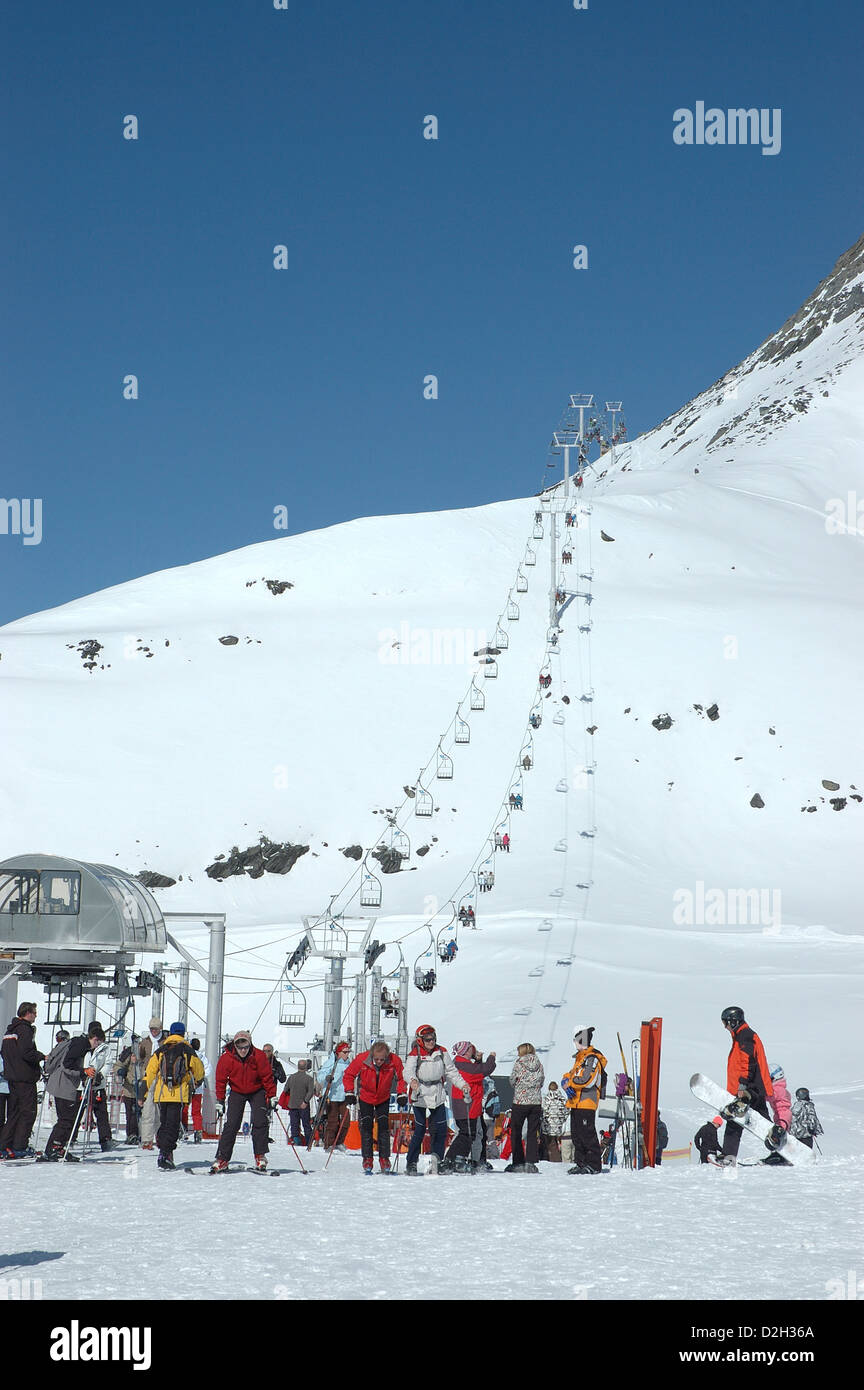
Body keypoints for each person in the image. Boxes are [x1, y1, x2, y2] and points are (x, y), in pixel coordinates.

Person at [403, 1025, 469, 1175]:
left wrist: (462, 1084)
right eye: (427, 1039)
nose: (431, 1042)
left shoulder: (441, 1051)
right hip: (420, 1093)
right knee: (419, 1130)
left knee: (440, 1130)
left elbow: (451, 1071)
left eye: (433, 1038)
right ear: (420, 1041)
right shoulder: (415, 1053)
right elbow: (408, 1071)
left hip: (437, 1092)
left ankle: (436, 1160)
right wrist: (412, 1081)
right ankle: (411, 1162)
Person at [212, 1030, 275, 1173]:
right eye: (240, 1047)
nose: (243, 1050)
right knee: (232, 1124)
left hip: (256, 1090)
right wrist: (220, 1100)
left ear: (250, 1044)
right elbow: (221, 1080)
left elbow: (267, 1077)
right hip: (237, 1091)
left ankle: (260, 1156)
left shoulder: (258, 1056)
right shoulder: (226, 1058)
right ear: (235, 1046)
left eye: (246, 1046)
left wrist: (272, 1096)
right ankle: (222, 1159)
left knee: (260, 1121)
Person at [143, 1023, 205, 1170]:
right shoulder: (187, 1050)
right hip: (179, 1095)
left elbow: (150, 1071)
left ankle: (164, 1150)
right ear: (183, 1034)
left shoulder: (161, 1050)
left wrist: (144, 1092)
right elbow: (199, 1070)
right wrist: (197, 1081)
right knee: (172, 1125)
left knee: (165, 1124)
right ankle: (165, 1154)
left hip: (161, 1094)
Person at [41, 1024, 106, 1162]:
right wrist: (84, 1071)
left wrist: (85, 1074)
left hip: (64, 1084)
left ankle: (58, 1147)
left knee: (68, 1119)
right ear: (95, 1039)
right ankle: (53, 1148)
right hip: (63, 1085)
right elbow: (67, 1065)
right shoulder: (80, 1045)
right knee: (66, 1119)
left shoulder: (78, 1043)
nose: (96, 1047)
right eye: (98, 1043)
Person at [719, 1006, 774, 1163]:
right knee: (743, 1120)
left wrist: (742, 1086)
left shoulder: (745, 1036)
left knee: (739, 1119)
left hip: (751, 1088)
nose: (725, 1027)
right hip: (751, 1087)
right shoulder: (741, 1036)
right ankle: (728, 1156)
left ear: (734, 1021)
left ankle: (729, 1156)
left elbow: (747, 1062)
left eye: (726, 1023)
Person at [343, 1039, 407, 1173]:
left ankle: (384, 1158)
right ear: (372, 1055)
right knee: (366, 1126)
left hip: (383, 1097)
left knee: (383, 1126)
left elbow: (402, 1078)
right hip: (366, 1096)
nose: (379, 1062)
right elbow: (349, 1075)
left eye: (382, 1060)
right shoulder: (362, 1059)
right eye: (376, 1059)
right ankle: (367, 1158)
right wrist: (349, 1091)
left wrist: (401, 1093)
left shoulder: (394, 1060)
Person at [441, 1041, 496, 1173]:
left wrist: (478, 1060)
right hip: (466, 1104)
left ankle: (456, 1159)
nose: (473, 1050)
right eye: (471, 1048)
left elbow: (476, 1073)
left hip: (468, 1104)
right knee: (467, 1133)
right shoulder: (463, 1065)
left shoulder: (461, 1063)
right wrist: (491, 1058)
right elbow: (482, 1071)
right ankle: (454, 1159)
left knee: (469, 1133)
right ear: (466, 1051)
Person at [0, 1002, 45, 1159]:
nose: (36, 1015)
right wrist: (42, 1056)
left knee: (14, 1113)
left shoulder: (9, 1031)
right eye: (34, 1012)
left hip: (12, 1078)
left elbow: (5, 1053)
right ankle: (19, 1146)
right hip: (25, 1078)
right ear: (28, 1013)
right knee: (28, 1112)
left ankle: (5, 1144)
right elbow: (26, 1052)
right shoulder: (25, 1029)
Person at [562, 1024, 607, 1174]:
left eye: (576, 1040)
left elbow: (588, 1079)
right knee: (577, 1135)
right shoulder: (580, 1059)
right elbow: (570, 1074)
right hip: (576, 1102)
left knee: (587, 1134)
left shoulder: (592, 1058)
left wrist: (571, 1083)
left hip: (586, 1102)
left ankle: (593, 1164)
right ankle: (581, 1163)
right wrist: (565, 1081)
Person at [506, 1043, 544, 1172]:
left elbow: (512, 1080)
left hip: (520, 1102)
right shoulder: (539, 1064)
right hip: (536, 1102)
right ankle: (531, 1162)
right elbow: (542, 1081)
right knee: (532, 1133)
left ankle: (518, 1162)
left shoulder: (519, 1063)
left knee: (516, 1132)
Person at [82, 1023, 115, 1152]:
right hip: (83, 1083)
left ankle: (105, 1139)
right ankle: (71, 1138)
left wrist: (101, 1075)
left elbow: (108, 1062)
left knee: (101, 1113)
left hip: (98, 1085)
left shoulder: (105, 1048)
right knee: (77, 1112)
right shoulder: (83, 1045)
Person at [138, 1016, 167, 1151]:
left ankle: (160, 1138)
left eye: (155, 1029)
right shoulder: (145, 1042)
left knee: (161, 1111)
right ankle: (147, 1139)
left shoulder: (165, 1042)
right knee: (148, 1109)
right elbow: (141, 1056)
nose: (153, 1031)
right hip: (149, 1076)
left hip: (162, 1078)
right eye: (151, 1029)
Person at [317, 1041, 352, 1150]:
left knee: (345, 1121)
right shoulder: (331, 1062)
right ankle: (329, 1143)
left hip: (344, 1095)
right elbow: (320, 1076)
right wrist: (327, 1077)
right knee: (332, 1121)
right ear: (339, 1052)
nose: (347, 1054)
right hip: (332, 1096)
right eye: (344, 1052)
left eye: (348, 1052)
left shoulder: (349, 1064)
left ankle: (339, 1142)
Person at [279, 1058, 315, 1147]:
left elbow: (285, 1089)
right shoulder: (309, 1079)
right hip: (304, 1105)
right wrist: (305, 1101)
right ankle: (308, 1142)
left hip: (292, 1105)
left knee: (294, 1124)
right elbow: (311, 1092)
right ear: (306, 1067)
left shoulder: (292, 1077)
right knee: (306, 1124)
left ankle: (296, 1141)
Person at [114, 1034, 143, 1144]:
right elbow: (118, 1065)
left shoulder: (146, 1053)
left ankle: (142, 1134)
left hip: (143, 1087)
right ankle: (132, 1134)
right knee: (131, 1113)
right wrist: (121, 1072)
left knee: (142, 1113)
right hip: (130, 1089)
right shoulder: (128, 1053)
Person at [181, 1038, 211, 1143]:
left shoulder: (187, 1055)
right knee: (196, 1111)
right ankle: (198, 1131)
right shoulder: (202, 1058)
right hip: (198, 1088)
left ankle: (183, 1130)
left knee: (184, 1109)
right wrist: (200, 1078)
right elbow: (208, 1070)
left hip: (187, 1087)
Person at [541, 1080, 567, 1163]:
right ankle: (555, 1159)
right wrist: (561, 1120)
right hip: (559, 1126)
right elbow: (566, 1111)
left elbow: (544, 1110)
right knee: (556, 1143)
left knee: (550, 1144)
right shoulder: (562, 1099)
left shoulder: (546, 1098)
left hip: (548, 1126)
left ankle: (554, 1160)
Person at [768, 1064, 791, 1130]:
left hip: (782, 1114)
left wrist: (761, 1094)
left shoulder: (778, 1089)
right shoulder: (781, 1088)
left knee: (779, 1131)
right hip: (781, 1113)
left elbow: (771, 1096)